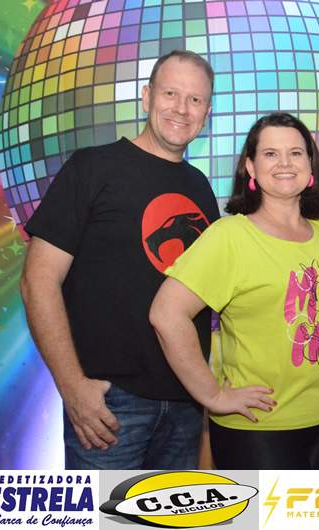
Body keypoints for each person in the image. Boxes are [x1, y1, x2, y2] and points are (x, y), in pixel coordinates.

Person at [21, 50, 222, 469]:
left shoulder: (200, 187)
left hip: (186, 407)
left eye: (195, 99)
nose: (181, 108)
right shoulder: (92, 168)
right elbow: (37, 281)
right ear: (146, 96)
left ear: (206, 113)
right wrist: (73, 386)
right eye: (170, 93)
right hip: (110, 408)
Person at [150, 112, 319, 470]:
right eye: (270, 154)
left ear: (310, 165)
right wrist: (213, 395)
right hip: (261, 427)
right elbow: (166, 314)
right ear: (251, 167)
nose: (285, 163)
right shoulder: (230, 236)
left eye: (295, 153)